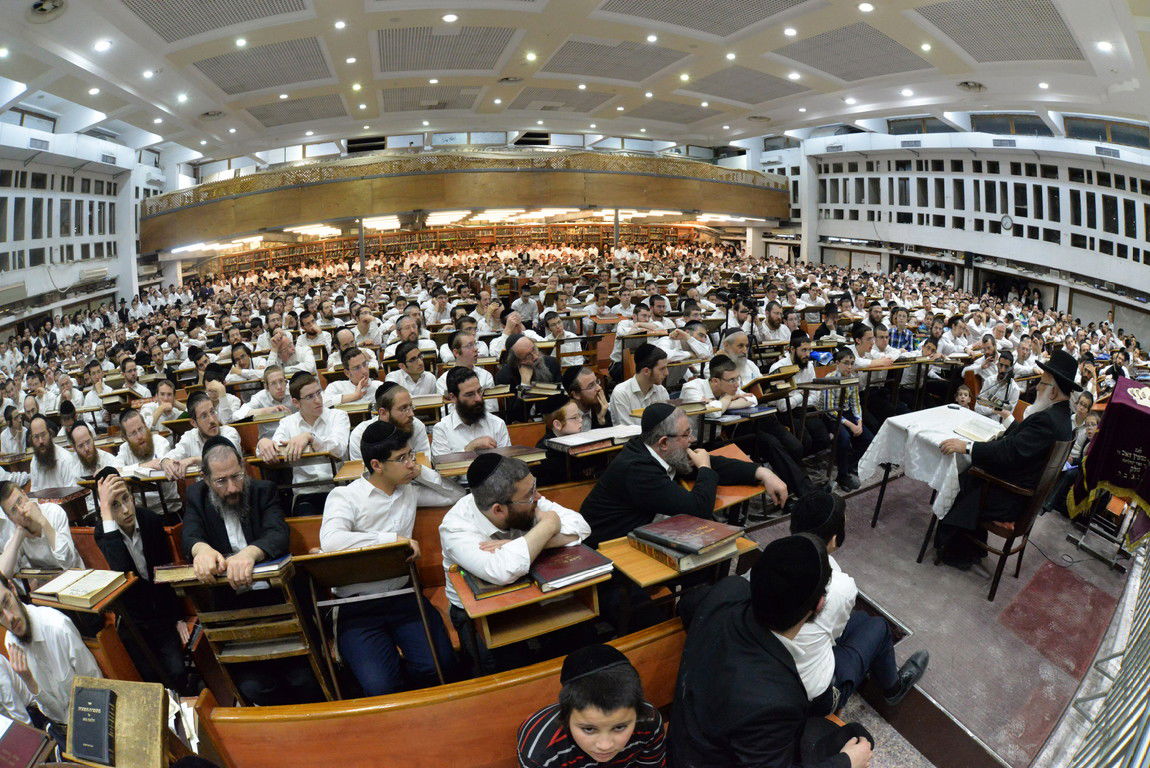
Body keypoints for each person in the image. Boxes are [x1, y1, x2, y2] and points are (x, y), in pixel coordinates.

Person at [669, 534, 874, 768]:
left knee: (845, 734)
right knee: (860, 743)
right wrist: (846, 764)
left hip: (687, 738)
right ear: (819, 605)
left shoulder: (727, 592)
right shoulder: (776, 697)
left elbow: (687, 606)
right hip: (708, 756)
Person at [320, 421, 463, 696]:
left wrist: (419, 469)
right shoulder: (345, 496)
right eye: (402, 459)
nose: (410, 463)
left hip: (404, 594)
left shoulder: (408, 490)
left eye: (411, 455)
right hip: (358, 605)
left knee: (440, 666)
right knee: (380, 685)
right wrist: (392, 541)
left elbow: (456, 495)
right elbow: (332, 541)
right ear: (377, 464)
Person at [181, 437, 320, 705]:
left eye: (237, 476)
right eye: (221, 481)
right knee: (255, 687)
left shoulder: (262, 490)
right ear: (206, 479)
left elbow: (278, 534)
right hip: (234, 612)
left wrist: (249, 554)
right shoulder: (197, 496)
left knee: (302, 680)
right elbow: (189, 535)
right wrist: (201, 550)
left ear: (243, 467)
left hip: (277, 601)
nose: (233, 488)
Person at [439, 454, 590, 673]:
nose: (538, 497)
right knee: (505, 670)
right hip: (480, 611)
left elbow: (580, 526)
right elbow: (502, 571)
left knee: (580, 638)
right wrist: (549, 524)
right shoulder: (455, 527)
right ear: (498, 509)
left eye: (535, 488)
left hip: (530, 592)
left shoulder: (525, 494)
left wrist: (519, 543)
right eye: (530, 495)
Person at [935, 349, 1078, 569]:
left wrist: (966, 446)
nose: (1037, 387)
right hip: (1020, 495)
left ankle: (956, 551)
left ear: (1053, 391)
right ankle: (973, 546)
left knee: (965, 473)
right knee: (975, 465)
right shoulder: (1062, 420)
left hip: (1008, 498)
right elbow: (1027, 445)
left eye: (1042, 383)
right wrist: (1010, 423)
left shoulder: (1047, 420)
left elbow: (1008, 454)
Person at [789, 492, 928, 711]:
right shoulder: (839, 586)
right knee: (879, 627)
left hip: (774, 663)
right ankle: (893, 689)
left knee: (861, 619)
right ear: (835, 538)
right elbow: (833, 635)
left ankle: (869, 661)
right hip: (812, 694)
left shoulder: (772, 558)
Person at [580, 403, 787, 546]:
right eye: (686, 434)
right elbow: (698, 508)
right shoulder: (637, 469)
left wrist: (762, 473)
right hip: (608, 548)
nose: (693, 439)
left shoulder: (655, 449)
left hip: (639, 531)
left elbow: (708, 461)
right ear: (663, 442)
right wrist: (705, 469)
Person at [91, 468, 189, 691]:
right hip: (133, 618)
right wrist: (106, 513)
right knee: (147, 678)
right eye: (115, 505)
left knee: (177, 672)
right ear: (105, 508)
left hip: (160, 612)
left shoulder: (151, 520)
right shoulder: (103, 533)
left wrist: (178, 617)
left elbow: (165, 573)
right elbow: (123, 570)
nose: (126, 510)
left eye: (126, 498)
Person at [517, 644, 666, 768]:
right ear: (566, 715)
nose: (605, 745)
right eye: (589, 729)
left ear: (637, 713)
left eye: (619, 727)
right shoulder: (540, 750)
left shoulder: (649, 720)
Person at [0, 577, 102, 741]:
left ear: (13, 589)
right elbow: (55, 713)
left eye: (6, 602)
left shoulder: (58, 627)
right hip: (58, 728)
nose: (9, 618)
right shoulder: (11, 642)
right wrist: (30, 683)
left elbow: (97, 690)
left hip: (90, 721)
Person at [266, 372, 350, 516]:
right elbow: (272, 449)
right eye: (310, 397)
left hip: (338, 489)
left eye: (318, 393)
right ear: (296, 402)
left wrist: (310, 437)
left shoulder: (338, 416)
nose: (318, 400)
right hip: (305, 492)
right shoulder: (288, 423)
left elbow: (339, 449)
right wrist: (263, 443)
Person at [0, 480, 83, 577]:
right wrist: (19, 533)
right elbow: (4, 573)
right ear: (9, 517)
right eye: (14, 510)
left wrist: (42, 521)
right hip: (46, 586)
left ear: (25, 494)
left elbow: (68, 562)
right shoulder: (15, 530)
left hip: (75, 577)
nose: (21, 511)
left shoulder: (53, 512)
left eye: (19, 501)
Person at [820, 347, 873, 492]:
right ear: (837, 363)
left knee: (868, 438)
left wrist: (859, 423)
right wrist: (851, 425)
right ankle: (843, 475)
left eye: (852, 363)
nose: (850, 367)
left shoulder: (852, 378)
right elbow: (829, 409)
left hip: (847, 413)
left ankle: (848, 467)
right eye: (846, 363)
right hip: (832, 416)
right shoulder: (830, 379)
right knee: (843, 438)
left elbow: (856, 403)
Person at [160, 391, 243, 480]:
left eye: (212, 412)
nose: (212, 420)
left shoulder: (229, 432)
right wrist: (165, 461)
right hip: (205, 490)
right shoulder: (189, 437)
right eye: (204, 416)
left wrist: (193, 460)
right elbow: (173, 454)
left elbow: (225, 456)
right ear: (194, 423)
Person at [431, 367, 511, 457]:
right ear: (453, 397)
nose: (478, 398)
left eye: (479, 391)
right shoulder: (442, 430)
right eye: (470, 394)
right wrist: (470, 448)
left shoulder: (497, 424)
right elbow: (442, 467)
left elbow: (507, 465)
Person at [349, 382, 431, 461]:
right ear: (383, 413)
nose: (411, 414)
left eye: (411, 406)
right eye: (404, 409)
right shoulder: (359, 435)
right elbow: (361, 473)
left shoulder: (415, 425)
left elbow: (424, 464)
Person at [608, 343, 670, 428]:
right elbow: (626, 432)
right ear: (646, 371)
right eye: (662, 369)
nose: (667, 373)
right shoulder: (621, 393)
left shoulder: (661, 390)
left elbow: (667, 425)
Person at [27, 414, 83, 493]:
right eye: (36, 437)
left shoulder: (65, 459)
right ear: (31, 439)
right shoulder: (34, 461)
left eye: (43, 435)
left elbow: (71, 495)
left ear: (50, 434)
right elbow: (34, 492)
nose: (41, 441)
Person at [562, 366, 611, 431]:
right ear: (576, 394)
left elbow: (609, 439)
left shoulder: (601, 408)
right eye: (591, 386)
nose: (599, 388)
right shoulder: (563, 417)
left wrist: (601, 420)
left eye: (597, 382)